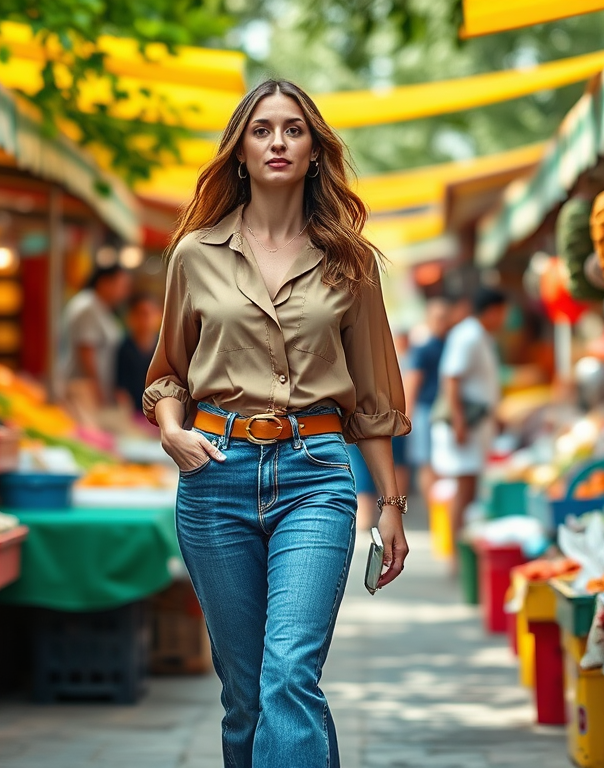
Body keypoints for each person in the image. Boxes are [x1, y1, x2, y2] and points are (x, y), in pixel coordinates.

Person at [142, 79, 410, 768]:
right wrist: (172, 431)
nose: (278, 142)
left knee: (289, 674)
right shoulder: (195, 254)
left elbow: (374, 399)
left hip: (315, 475)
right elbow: (168, 373)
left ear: (316, 151)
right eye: (262, 130)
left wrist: (390, 505)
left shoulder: (351, 262)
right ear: (239, 153)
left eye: (293, 129)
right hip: (215, 475)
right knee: (245, 694)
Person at [432, 287, 507, 556]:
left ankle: (460, 553)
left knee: (469, 490)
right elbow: (452, 378)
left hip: (474, 425)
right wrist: (459, 422)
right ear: (493, 311)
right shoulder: (469, 335)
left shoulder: (479, 336)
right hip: (465, 426)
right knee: (463, 492)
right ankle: (454, 554)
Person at [404, 296, 463, 503]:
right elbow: (412, 382)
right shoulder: (423, 349)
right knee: (426, 462)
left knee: (442, 462)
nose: (442, 322)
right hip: (425, 411)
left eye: (445, 318)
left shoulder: (451, 345)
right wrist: (407, 415)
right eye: (438, 318)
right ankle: (432, 508)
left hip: (443, 411)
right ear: (428, 319)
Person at [56, 262, 132, 418]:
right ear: (104, 282)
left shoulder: (99, 307)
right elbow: (86, 351)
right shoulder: (88, 307)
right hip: (83, 389)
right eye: (122, 285)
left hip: (90, 388)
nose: (125, 292)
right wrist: (98, 390)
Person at [114, 293, 162, 413]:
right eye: (140, 314)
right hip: (132, 412)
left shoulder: (164, 347)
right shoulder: (125, 348)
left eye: (150, 313)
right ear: (131, 317)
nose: (146, 319)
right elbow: (121, 388)